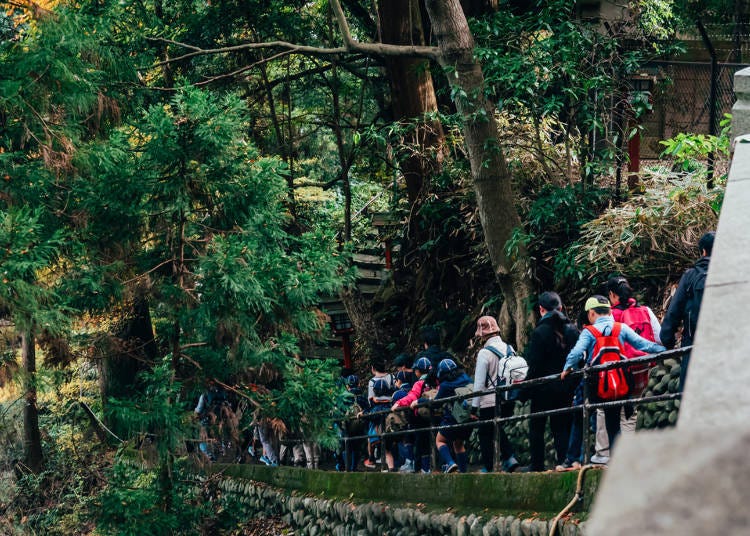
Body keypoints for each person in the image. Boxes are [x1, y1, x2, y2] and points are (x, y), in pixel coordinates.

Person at [561, 296, 665, 457]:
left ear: (592, 313)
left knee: (586, 414)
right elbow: (643, 345)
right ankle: (615, 457)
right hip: (619, 383)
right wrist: (664, 351)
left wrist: (567, 368)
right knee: (614, 423)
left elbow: (576, 353)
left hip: (596, 386)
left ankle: (587, 457)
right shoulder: (621, 328)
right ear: (610, 311)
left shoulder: (589, 332)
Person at [523, 292, 579, 472]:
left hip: (542, 388)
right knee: (562, 426)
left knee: (536, 426)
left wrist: (525, 388)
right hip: (565, 387)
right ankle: (564, 461)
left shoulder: (540, 332)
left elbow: (535, 365)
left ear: (541, 309)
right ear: (561, 308)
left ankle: (537, 465)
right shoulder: (572, 330)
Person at [660, 231, 714, 389]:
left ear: (703, 251)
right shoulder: (731, 275)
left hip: (693, 347)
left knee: (690, 393)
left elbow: (674, 312)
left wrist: (668, 341)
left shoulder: (691, 276)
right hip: (724, 346)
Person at [469, 315, 520, 473]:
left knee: (485, 432)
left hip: (489, 400)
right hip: (507, 398)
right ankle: (510, 458)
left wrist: (473, 407)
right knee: (497, 428)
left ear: (482, 334)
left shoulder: (484, 353)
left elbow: (479, 383)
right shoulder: (509, 348)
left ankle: (489, 467)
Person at [391, 357, 436, 473]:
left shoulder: (419, 383)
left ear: (418, 371)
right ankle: (429, 467)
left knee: (420, 443)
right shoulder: (435, 382)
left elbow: (412, 397)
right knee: (429, 442)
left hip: (421, 418)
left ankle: (423, 468)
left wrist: (398, 403)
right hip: (435, 414)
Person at [434, 358, 473, 473]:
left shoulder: (446, 385)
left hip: (453, 419)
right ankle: (463, 471)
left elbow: (436, 402)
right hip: (468, 417)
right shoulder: (466, 378)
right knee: (458, 443)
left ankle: (450, 463)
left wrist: (420, 401)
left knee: (440, 440)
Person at [194, 379, 230, 462]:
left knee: (202, 439)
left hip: (211, 420)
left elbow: (198, 411)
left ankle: (212, 455)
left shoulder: (205, 395)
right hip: (215, 419)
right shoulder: (222, 393)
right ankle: (220, 451)